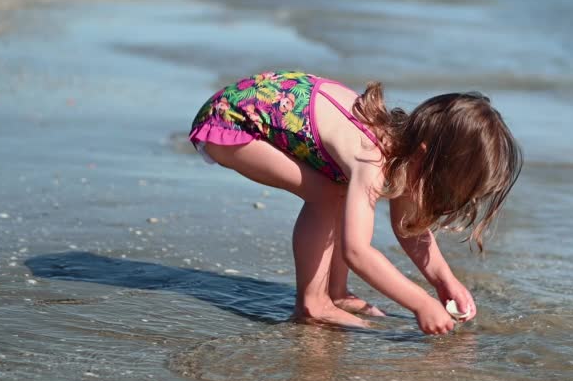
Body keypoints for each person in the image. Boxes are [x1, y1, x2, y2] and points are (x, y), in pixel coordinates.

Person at [188, 71, 522, 335]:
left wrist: (443, 280)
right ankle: (313, 303)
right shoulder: (370, 157)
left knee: (338, 191)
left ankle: (336, 292)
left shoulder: (405, 150)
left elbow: (408, 230)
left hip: (254, 109)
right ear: (425, 159)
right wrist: (420, 303)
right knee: (330, 195)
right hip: (232, 122)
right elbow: (357, 251)